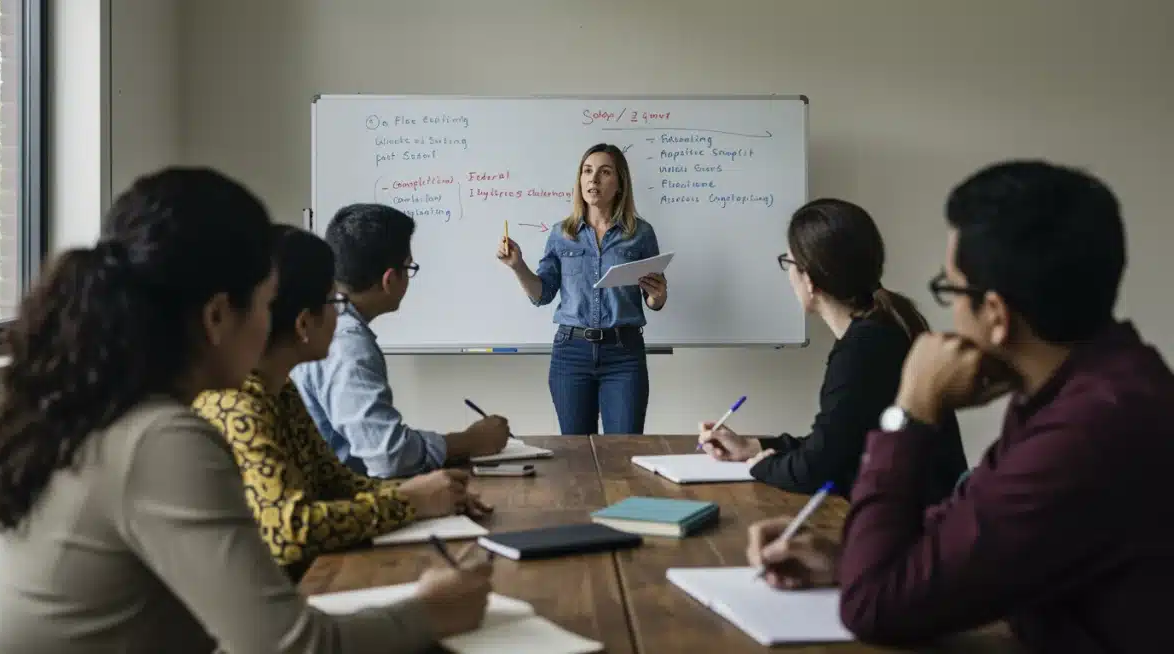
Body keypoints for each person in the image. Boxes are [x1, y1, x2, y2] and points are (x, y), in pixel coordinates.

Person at [0, 168, 492, 654]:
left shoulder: (110, 408)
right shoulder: (160, 437)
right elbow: (290, 645)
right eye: (268, 306)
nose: (277, 327)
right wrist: (430, 609)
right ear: (218, 316)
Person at [746, 160, 1174, 652]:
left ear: (995, 314)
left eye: (950, 290)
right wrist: (845, 557)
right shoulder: (1093, 385)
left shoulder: (1088, 432)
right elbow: (971, 529)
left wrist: (909, 412)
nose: (947, 312)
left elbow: (872, 608)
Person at [193, 225, 492, 582]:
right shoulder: (236, 403)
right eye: (335, 302)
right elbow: (290, 530)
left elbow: (336, 483)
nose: (343, 316)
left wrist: (437, 491)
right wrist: (410, 502)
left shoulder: (281, 390)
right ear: (304, 324)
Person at [697, 199, 968, 503]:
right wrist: (753, 446)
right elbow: (832, 442)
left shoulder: (861, 351)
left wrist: (762, 467)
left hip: (914, 524)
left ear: (809, 280)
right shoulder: (887, 324)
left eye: (788, 263)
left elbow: (817, 468)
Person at [291, 204, 510, 478]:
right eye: (409, 267)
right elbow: (388, 456)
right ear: (390, 279)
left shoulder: (327, 322)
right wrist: (470, 441)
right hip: (342, 498)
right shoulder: (348, 345)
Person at [497, 143, 668, 435]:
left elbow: (652, 298)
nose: (593, 180)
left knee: (624, 449)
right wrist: (517, 266)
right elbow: (543, 295)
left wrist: (658, 296)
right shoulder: (561, 234)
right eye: (587, 172)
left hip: (624, 353)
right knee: (576, 455)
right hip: (571, 353)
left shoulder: (640, 234)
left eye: (604, 172)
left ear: (619, 183)